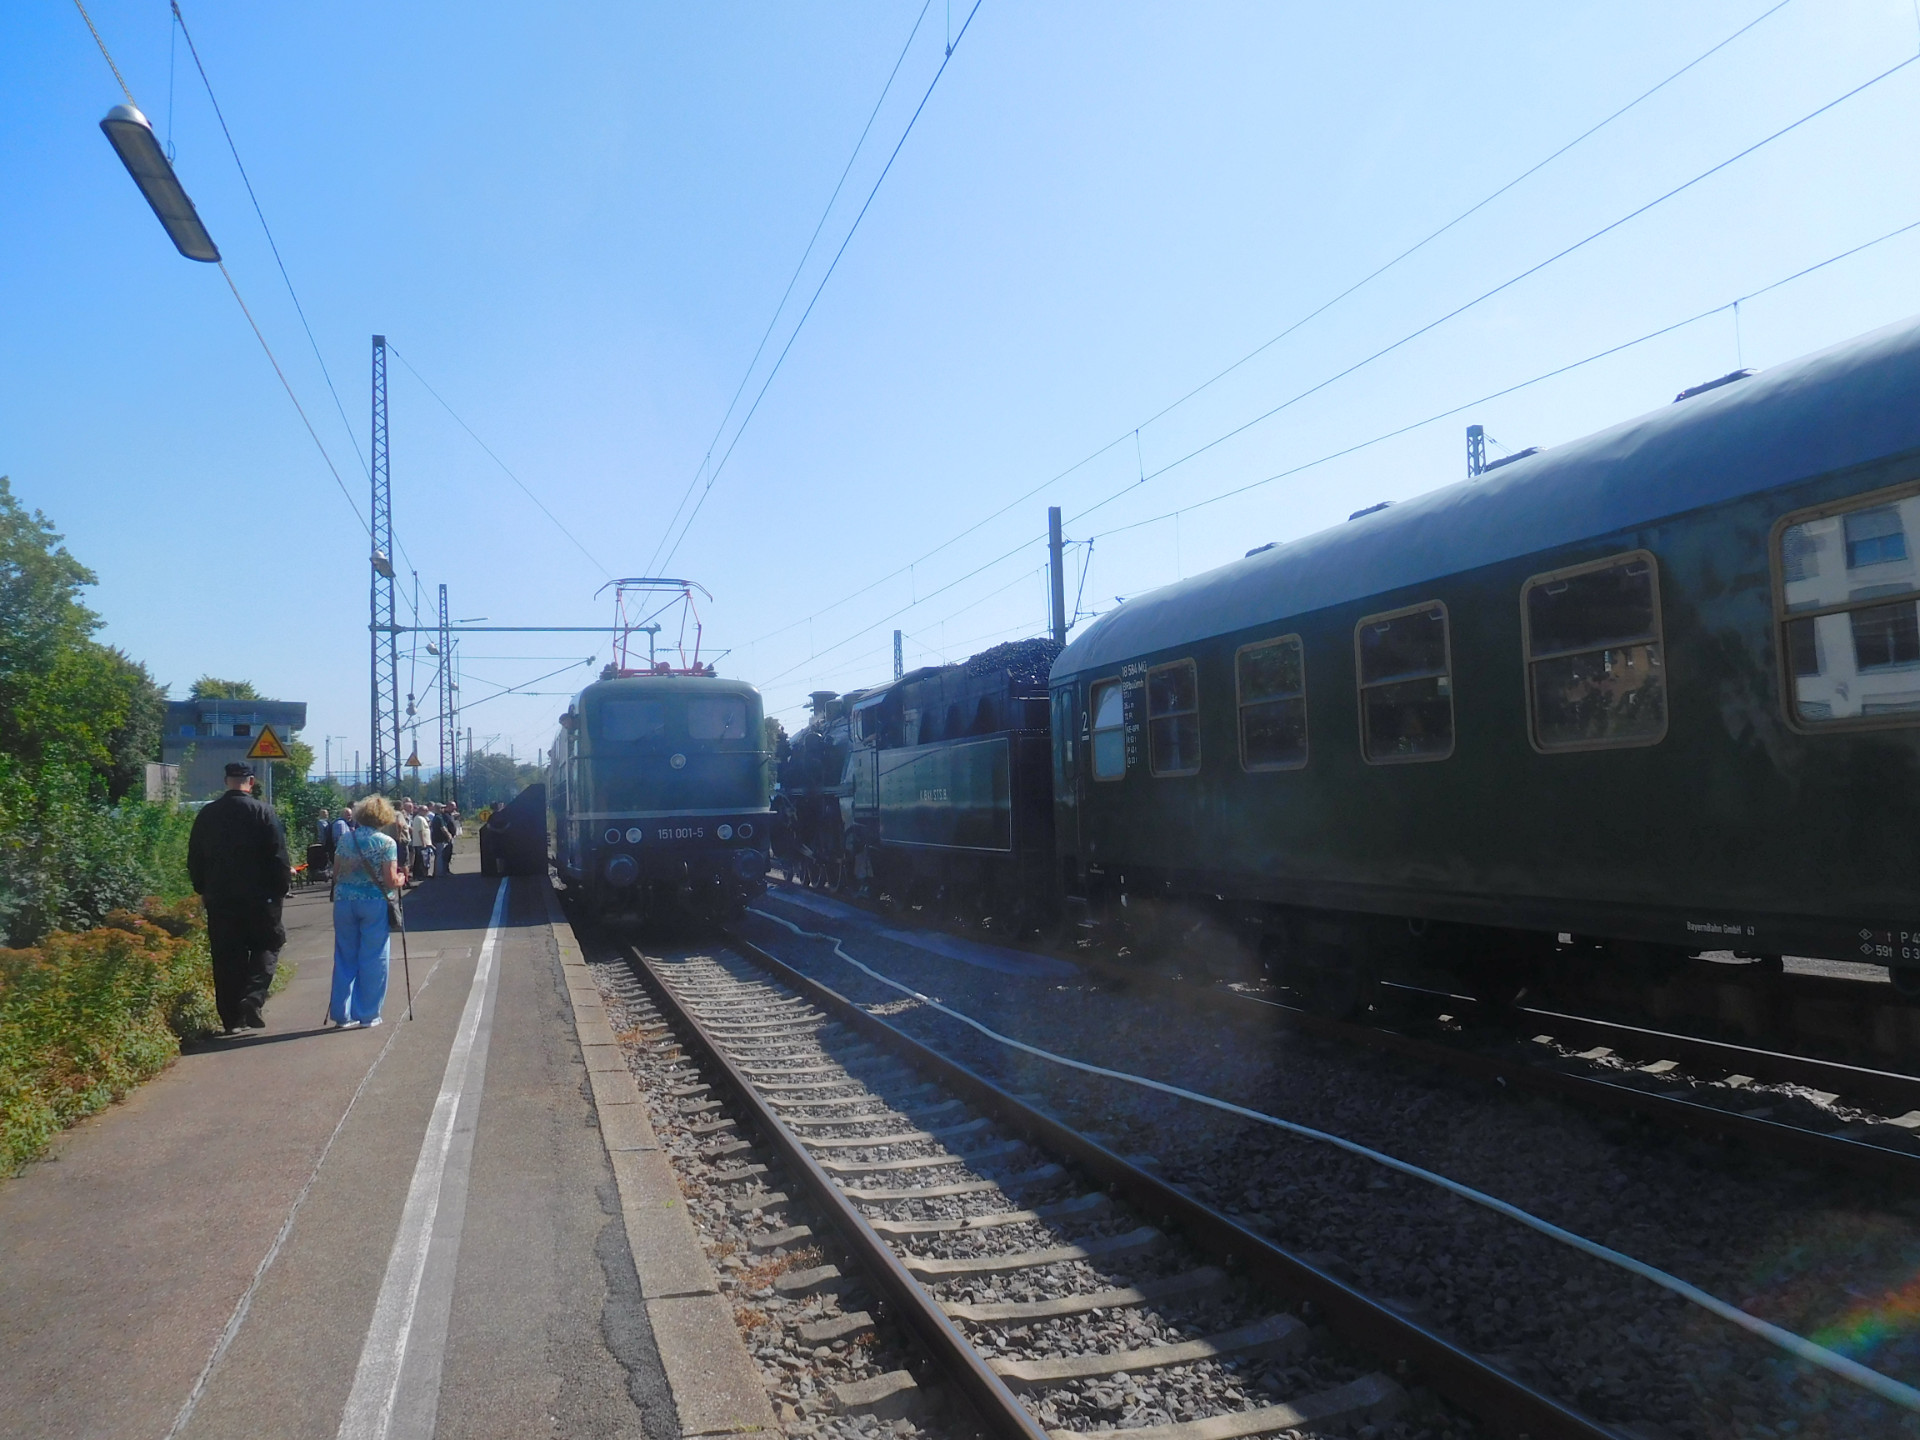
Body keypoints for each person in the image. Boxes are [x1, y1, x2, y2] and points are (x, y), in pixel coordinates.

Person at [187, 762, 291, 1033]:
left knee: (226, 957)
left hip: (220, 897)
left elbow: (195, 856)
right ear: (251, 782)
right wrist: (281, 888)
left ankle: (232, 1020)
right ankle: (253, 997)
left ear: (226, 781)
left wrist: (202, 889)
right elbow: (278, 855)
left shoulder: (207, 814)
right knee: (268, 943)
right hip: (261, 897)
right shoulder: (263, 812)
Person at [329, 794, 404, 1028]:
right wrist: (401, 879)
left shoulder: (345, 839)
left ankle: (342, 1014)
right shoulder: (386, 843)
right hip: (374, 902)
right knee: (373, 956)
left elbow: (336, 873)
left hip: (344, 901)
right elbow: (390, 880)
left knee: (344, 956)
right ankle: (368, 1013)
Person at [409, 802, 433, 881]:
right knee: (421, 860)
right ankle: (420, 875)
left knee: (422, 859)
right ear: (421, 811)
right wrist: (423, 842)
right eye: (425, 810)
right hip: (420, 843)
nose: (427, 812)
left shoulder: (423, 818)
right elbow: (420, 831)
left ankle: (421, 874)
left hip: (423, 842)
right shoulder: (419, 819)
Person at [429, 803, 454, 878]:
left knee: (439, 855)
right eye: (442, 808)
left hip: (437, 839)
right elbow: (443, 828)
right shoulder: (439, 818)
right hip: (440, 839)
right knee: (440, 856)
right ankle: (439, 873)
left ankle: (438, 871)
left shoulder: (436, 817)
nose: (443, 809)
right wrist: (448, 835)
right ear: (439, 809)